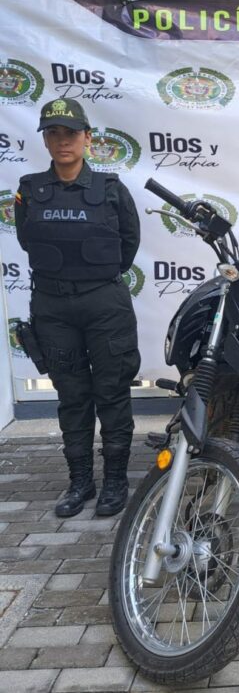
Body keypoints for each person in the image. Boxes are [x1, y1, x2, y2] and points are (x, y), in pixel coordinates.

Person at [14, 97, 140, 518]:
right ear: (46, 141)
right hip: (52, 305)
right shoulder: (30, 190)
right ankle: (81, 481)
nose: (62, 141)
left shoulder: (110, 189)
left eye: (71, 133)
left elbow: (127, 245)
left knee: (112, 391)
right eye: (53, 133)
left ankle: (116, 480)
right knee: (71, 395)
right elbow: (28, 242)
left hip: (103, 302)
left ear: (88, 138)